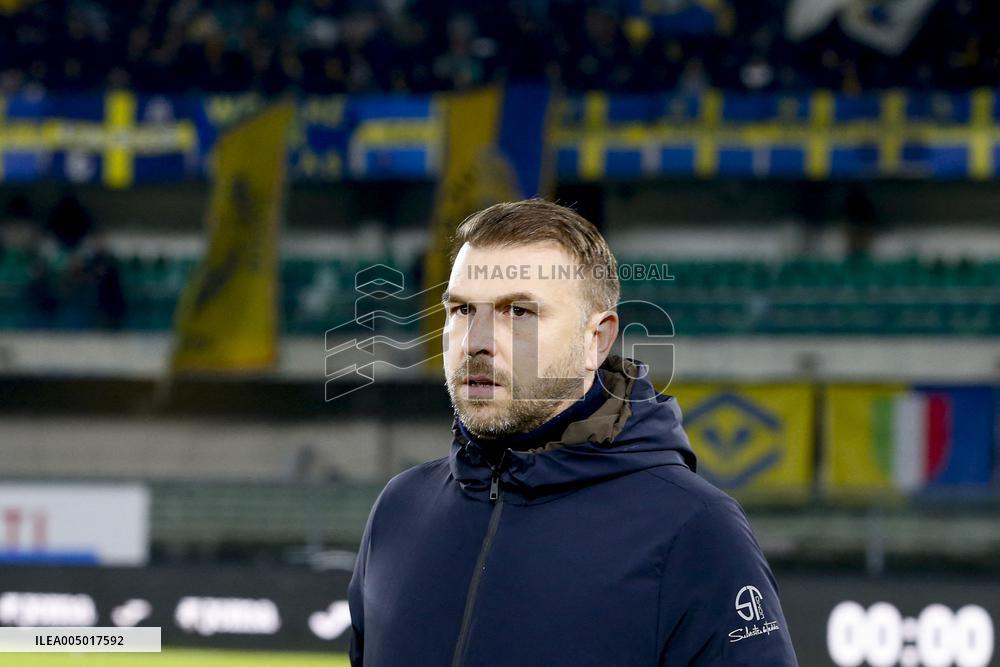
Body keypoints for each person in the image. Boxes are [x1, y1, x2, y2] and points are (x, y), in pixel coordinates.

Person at [347, 198, 798, 666]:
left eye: (517, 312)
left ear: (596, 340)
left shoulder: (695, 528)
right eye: (461, 310)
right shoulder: (398, 510)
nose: (475, 342)